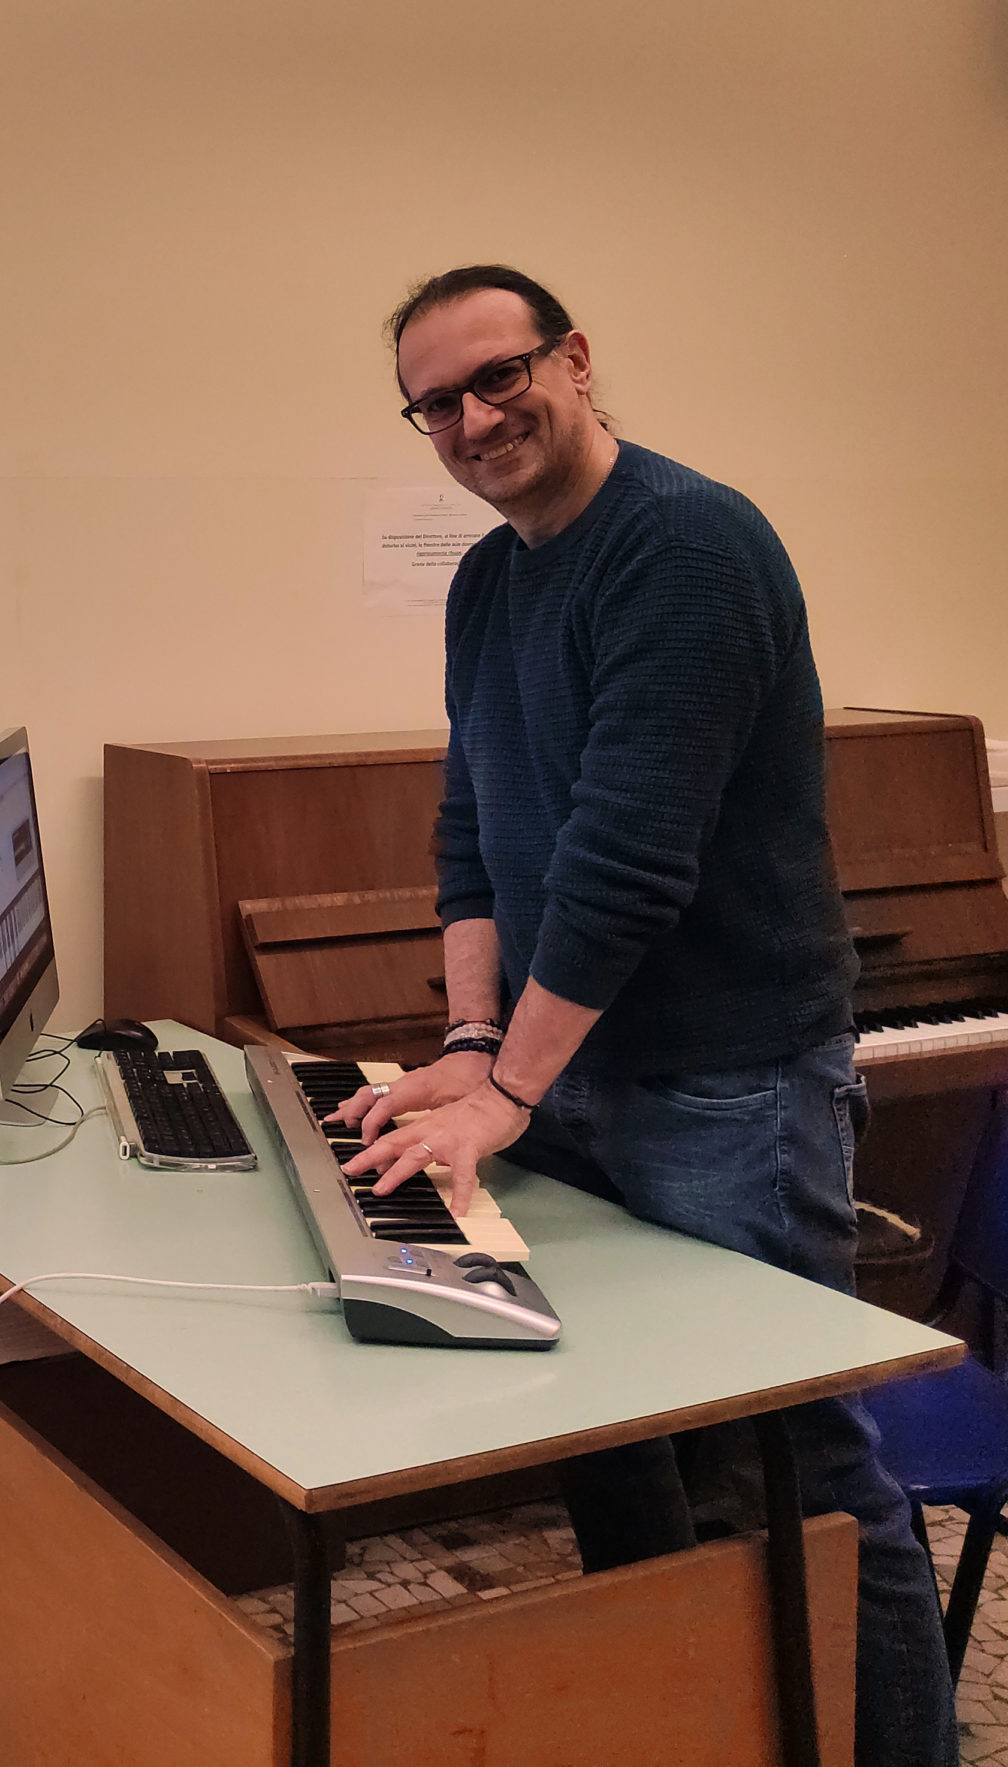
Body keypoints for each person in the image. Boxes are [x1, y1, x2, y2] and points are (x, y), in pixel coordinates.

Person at [326, 264, 955, 1767]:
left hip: (726, 1082)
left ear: (576, 360)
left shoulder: (688, 546)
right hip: (564, 1066)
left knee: (798, 1466)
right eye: (437, 404)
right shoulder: (492, 579)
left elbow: (625, 867)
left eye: (499, 376)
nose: (475, 420)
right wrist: (471, 1045)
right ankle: (690, 1724)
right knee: (602, 1428)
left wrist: (506, 1091)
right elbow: (474, 831)